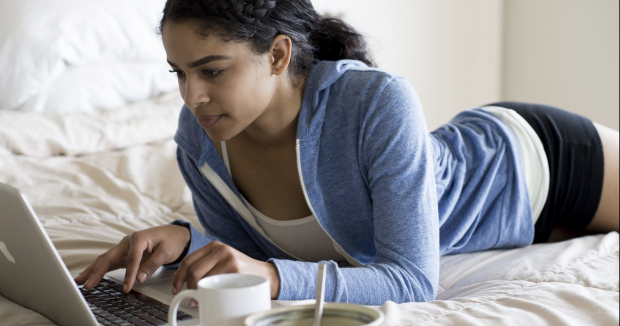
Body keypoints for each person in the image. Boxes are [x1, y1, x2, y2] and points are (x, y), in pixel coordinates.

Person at [75, 0, 620, 306]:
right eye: (180, 73)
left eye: (212, 71)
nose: (191, 95)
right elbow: (249, 255)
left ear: (278, 54)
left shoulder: (376, 100)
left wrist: (272, 278)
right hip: (518, 224)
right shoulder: (198, 136)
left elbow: (411, 280)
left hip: (542, 162)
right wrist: (187, 240)